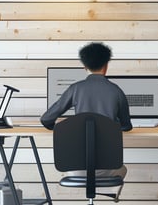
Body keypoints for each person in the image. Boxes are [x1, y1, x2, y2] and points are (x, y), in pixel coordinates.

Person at [41, 42, 132, 199]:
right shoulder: (116, 90)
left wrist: (61, 128)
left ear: (84, 67)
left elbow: (46, 119)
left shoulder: (75, 88)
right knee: (122, 169)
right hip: (109, 167)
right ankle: (111, 196)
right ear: (106, 65)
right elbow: (126, 126)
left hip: (75, 167)